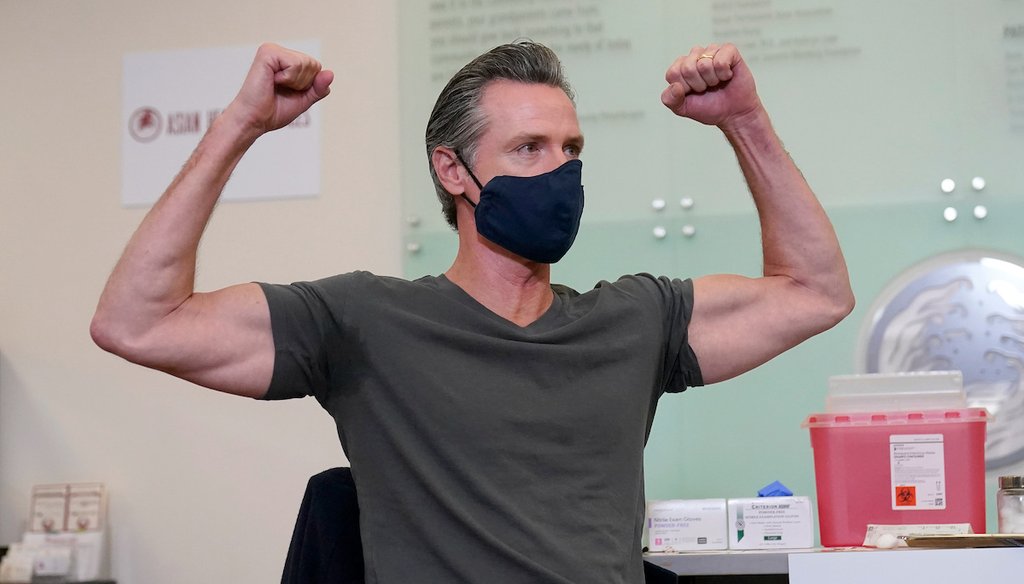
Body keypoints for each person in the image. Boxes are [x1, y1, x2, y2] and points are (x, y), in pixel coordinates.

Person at [92, 40, 854, 583]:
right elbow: (138, 321)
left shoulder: (635, 321)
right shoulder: (365, 322)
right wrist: (239, 127)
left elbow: (815, 291)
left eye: (571, 148)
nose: (560, 170)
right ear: (452, 170)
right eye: (528, 149)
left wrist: (744, 120)